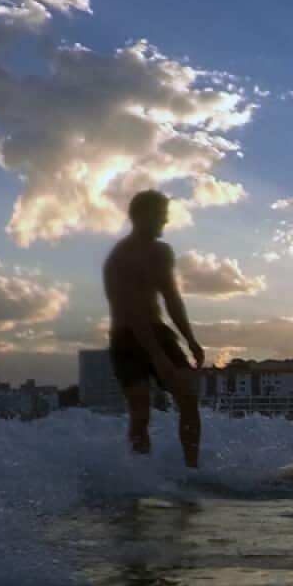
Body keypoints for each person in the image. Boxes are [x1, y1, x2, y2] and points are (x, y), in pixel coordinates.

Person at [103, 190, 205, 466]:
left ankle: (191, 469)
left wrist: (190, 340)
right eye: (161, 215)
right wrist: (159, 358)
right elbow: (133, 313)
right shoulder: (121, 258)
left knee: (187, 397)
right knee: (141, 412)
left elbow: (171, 298)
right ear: (142, 216)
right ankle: (141, 476)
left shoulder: (162, 252)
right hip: (127, 339)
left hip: (159, 332)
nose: (166, 220)